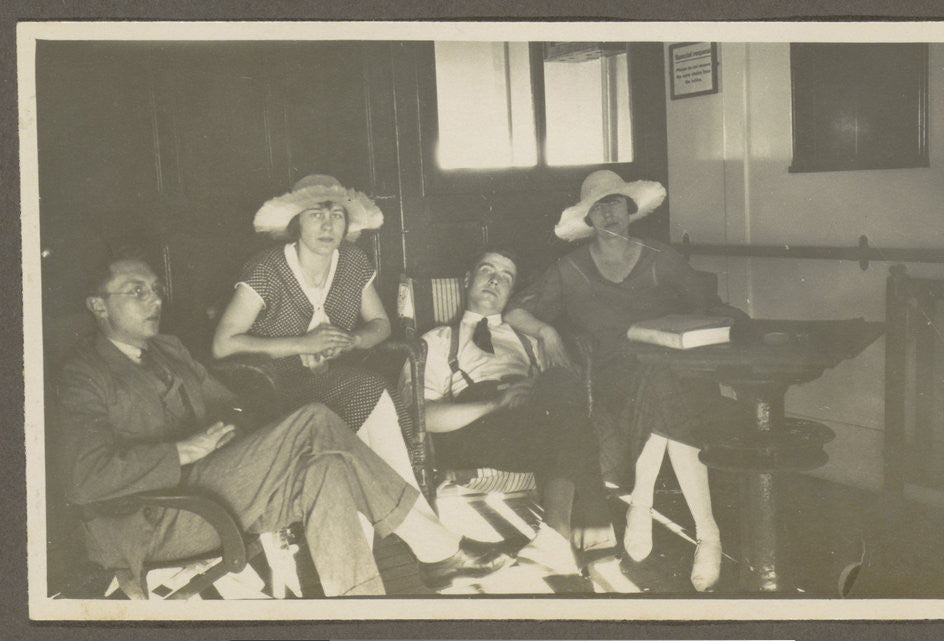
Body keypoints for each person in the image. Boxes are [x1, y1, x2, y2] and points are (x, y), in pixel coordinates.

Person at [59, 250, 511, 596]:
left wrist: (245, 434)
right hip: (150, 519)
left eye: (155, 289)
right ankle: (438, 552)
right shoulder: (83, 374)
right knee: (316, 419)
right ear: (98, 306)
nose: (154, 299)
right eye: (136, 291)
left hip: (207, 486)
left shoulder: (169, 350)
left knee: (326, 468)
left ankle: (359, 609)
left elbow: (232, 404)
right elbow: (84, 479)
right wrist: (182, 451)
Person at [504, 170, 747, 592]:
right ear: (588, 219)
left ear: (630, 210)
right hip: (613, 376)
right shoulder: (570, 269)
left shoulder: (661, 257)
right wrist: (547, 331)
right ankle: (706, 532)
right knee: (666, 391)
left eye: (615, 202)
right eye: (598, 207)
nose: (609, 212)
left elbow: (708, 305)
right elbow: (515, 311)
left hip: (676, 369)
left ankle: (647, 507)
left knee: (667, 383)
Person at [399, 249, 615, 576]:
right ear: (469, 281)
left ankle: (556, 538)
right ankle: (591, 534)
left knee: (560, 380)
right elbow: (422, 417)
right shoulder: (435, 341)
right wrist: (494, 404)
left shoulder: (526, 337)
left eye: (506, 277)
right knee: (573, 428)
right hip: (477, 428)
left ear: (510, 292)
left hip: (534, 426)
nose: (495, 280)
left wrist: (547, 337)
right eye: (487, 270)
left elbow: (568, 401)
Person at [212, 174, 417, 487]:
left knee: (374, 391)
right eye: (316, 215)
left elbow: (382, 324)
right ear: (297, 223)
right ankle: (405, 505)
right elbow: (223, 345)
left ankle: (394, 498)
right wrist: (303, 344)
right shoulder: (267, 268)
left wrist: (353, 340)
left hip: (336, 381)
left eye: (337, 216)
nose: (328, 226)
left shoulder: (353, 261)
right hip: (274, 390)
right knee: (369, 389)